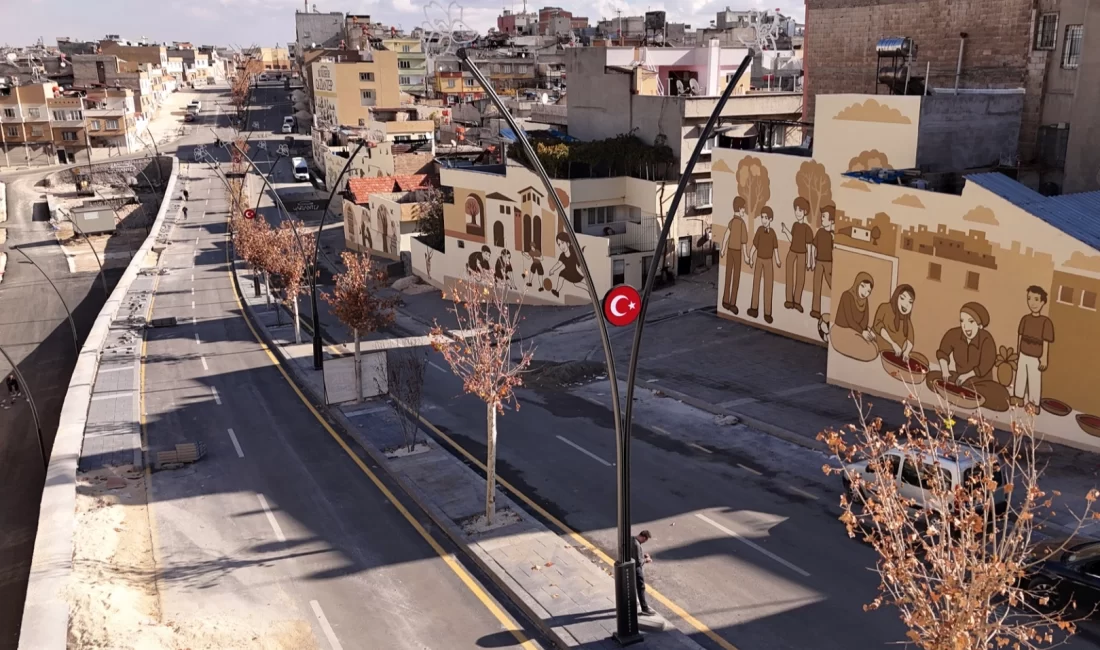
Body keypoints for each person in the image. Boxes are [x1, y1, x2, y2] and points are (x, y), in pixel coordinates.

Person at [926, 302, 1010, 412]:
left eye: (970, 322)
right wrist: (945, 370)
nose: (965, 326)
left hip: (979, 383)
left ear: (979, 325)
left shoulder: (986, 339)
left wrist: (967, 376)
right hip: (958, 380)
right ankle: (962, 396)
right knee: (931, 377)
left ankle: (966, 396)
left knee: (1002, 399)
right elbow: (943, 352)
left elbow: (985, 365)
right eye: (962, 321)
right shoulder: (955, 334)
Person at [1013, 286, 1055, 408]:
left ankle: (1033, 404)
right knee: (1020, 376)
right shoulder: (1025, 319)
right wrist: (1018, 353)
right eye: (1029, 298)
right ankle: (1018, 398)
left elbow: (1046, 341)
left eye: (1036, 299)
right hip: (1023, 353)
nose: (1032, 303)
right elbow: (1019, 337)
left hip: (1036, 356)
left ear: (1042, 302)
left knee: (1034, 380)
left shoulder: (1045, 322)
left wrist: (1044, 358)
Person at [873, 284, 926, 366]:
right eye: (902, 298)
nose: (906, 304)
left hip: (896, 354)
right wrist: (893, 344)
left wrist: (906, 352)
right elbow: (878, 327)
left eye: (910, 302)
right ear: (896, 297)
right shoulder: (885, 308)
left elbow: (910, 340)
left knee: (922, 361)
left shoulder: (906, 320)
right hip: (879, 349)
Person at [831, 272, 879, 362]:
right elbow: (850, 320)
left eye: (868, 291)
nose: (865, 292)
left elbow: (865, 320)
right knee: (871, 351)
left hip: (856, 330)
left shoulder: (865, 300)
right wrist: (862, 332)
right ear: (857, 284)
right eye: (863, 286)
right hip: (841, 330)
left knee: (875, 345)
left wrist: (866, 331)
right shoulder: (847, 296)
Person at [746, 206, 781, 324]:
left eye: (766, 218)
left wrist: (777, 260)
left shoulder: (773, 233)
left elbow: (775, 248)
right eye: (762, 217)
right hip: (759, 260)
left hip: (769, 261)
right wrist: (751, 257)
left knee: (768, 286)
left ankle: (767, 313)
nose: (764, 220)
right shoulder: (760, 230)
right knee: (756, 283)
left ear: (770, 219)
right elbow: (755, 246)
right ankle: (754, 308)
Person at [781, 197, 814, 313]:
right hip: (792, 251)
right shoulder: (795, 225)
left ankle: (797, 301)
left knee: (800, 278)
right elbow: (792, 239)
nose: (797, 213)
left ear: (805, 212)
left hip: (802, 254)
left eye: (800, 210)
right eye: (796, 210)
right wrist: (785, 231)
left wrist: (810, 261)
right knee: (789, 275)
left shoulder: (807, 229)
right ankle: (789, 300)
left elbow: (809, 246)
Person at [720, 197, 749, 314]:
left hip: (732, 251)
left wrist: (723, 248)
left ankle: (727, 301)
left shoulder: (735, 222)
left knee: (729, 275)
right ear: (739, 208)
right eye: (743, 209)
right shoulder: (740, 223)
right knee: (734, 277)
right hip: (735, 252)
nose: (744, 211)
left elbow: (728, 235)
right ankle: (730, 302)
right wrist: (746, 256)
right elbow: (744, 242)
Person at [809, 205, 836, 320]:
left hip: (829, 263)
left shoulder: (832, 234)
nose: (822, 219)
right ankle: (815, 310)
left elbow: (835, 249)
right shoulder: (820, 232)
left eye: (824, 217)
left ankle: (836, 309)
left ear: (831, 220)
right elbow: (814, 246)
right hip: (819, 261)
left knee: (832, 284)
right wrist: (813, 261)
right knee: (817, 285)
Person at [632, 530, 655, 616]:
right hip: (636, 568)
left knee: (632, 586)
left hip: (630, 566)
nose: (644, 542)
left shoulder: (632, 539)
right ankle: (644, 608)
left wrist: (642, 555)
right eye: (645, 540)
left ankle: (633, 602)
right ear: (644, 538)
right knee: (641, 587)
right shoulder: (637, 545)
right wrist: (646, 560)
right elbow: (638, 562)